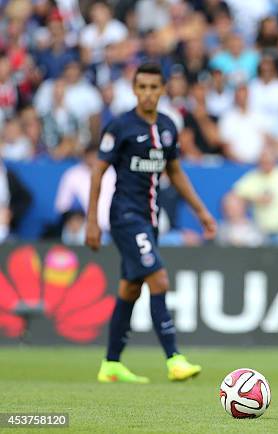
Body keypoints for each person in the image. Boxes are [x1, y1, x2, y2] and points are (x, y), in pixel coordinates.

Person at [85, 63, 217, 383]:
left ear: (162, 90)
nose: (147, 93)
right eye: (141, 87)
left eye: (153, 87)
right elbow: (98, 172)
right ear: (134, 89)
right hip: (125, 218)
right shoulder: (120, 127)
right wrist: (92, 221)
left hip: (151, 219)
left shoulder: (169, 126)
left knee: (130, 288)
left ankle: (111, 364)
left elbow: (174, 172)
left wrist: (201, 211)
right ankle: (174, 359)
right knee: (158, 280)